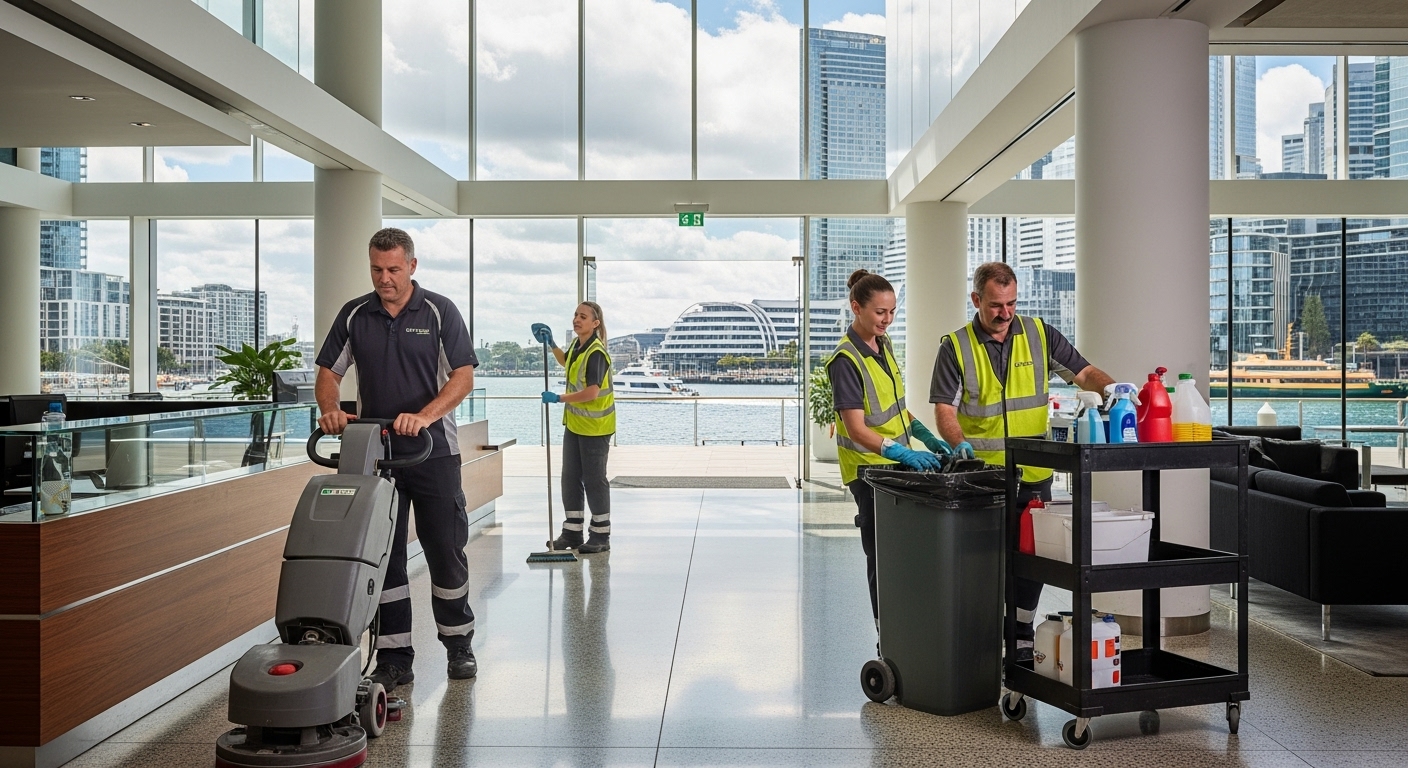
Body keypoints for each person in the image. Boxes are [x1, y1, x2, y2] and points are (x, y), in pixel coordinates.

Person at [315, 227, 480, 691]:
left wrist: (425, 417)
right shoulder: (354, 314)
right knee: (384, 560)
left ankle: (458, 643)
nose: (384, 278)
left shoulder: (438, 310)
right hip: (376, 455)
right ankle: (394, 657)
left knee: (446, 552)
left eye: (392, 268)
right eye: (376, 269)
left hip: (433, 453)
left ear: (412, 265)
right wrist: (330, 408)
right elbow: (329, 370)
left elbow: (462, 376)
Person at [930, 261, 1115, 662]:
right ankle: (976, 633)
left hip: (1033, 473)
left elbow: (1083, 373)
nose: (1005, 313)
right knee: (979, 560)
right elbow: (945, 408)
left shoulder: (1039, 334)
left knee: (1032, 559)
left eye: (1012, 303)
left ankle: (1021, 631)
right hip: (981, 476)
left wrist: (1114, 388)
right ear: (976, 300)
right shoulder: (956, 346)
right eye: (996, 305)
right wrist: (958, 442)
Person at [829, 269, 949, 629]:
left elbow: (894, 405)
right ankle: (888, 634)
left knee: (903, 552)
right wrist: (902, 453)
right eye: (880, 312)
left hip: (891, 467)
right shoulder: (846, 359)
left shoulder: (884, 346)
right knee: (882, 557)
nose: (888, 319)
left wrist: (924, 435)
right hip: (867, 471)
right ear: (856, 308)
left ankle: (908, 627)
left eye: (893, 311)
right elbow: (855, 427)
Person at [533, 302, 615, 554]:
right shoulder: (578, 347)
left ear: (595, 323)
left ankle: (600, 535)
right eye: (575, 315)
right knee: (569, 479)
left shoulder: (596, 352)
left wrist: (558, 398)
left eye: (583, 316)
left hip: (596, 427)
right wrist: (552, 343)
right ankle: (572, 531)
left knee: (594, 480)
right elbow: (565, 361)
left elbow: (591, 392)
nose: (576, 320)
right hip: (576, 425)